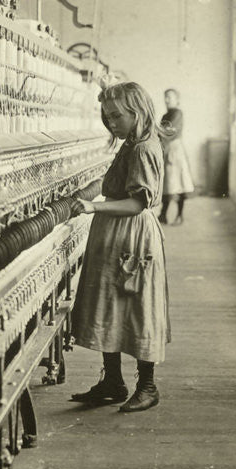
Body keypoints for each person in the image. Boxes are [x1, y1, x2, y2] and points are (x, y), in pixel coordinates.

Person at [69, 82, 171, 412]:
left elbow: (137, 203)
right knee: (110, 305)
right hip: (116, 235)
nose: (110, 123)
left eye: (116, 116)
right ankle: (112, 381)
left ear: (137, 112)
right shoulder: (132, 144)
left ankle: (148, 386)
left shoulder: (143, 148)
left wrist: (92, 207)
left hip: (132, 236)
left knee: (138, 308)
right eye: (106, 116)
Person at [158, 88, 194, 225]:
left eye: (170, 97)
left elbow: (169, 131)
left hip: (175, 150)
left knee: (179, 183)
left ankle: (179, 215)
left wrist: (157, 130)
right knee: (168, 183)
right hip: (167, 150)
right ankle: (163, 214)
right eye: (165, 97)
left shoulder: (178, 113)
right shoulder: (164, 116)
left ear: (177, 100)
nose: (167, 100)